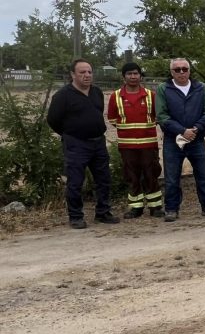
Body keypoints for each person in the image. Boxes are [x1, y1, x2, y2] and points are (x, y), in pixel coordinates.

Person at [47, 59, 120, 229]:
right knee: (75, 182)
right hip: (76, 144)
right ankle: (76, 216)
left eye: (89, 72)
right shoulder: (63, 96)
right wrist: (70, 134)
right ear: (73, 74)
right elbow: (53, 120)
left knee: (104, 179)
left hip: (98, 142)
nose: (87, 75)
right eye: (82, 72)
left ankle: (103, 212)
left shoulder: (96, 92)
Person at [156, 58, 205, 222]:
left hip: (196, 139)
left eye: (184, 69)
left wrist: (195, 129)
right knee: (172, 178)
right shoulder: (164, 89)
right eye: (177, 70)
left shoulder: (201, 88)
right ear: (171, 72)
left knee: (204, 175)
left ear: (189, 70)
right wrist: (181, 131)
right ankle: (171, 209)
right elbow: (162, 116)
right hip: (173, 140)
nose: (181, 72)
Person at [107, 61, 163, 219]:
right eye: (129, 74)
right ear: (123, 77)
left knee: (151, 174)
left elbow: (157, 116)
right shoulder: (116, 96)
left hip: (148, 144)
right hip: (127, 145)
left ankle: (155, 207)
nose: (133, 77)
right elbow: (112, 118)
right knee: (131, 175)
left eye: (136, 73)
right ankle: (136, 207)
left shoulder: (151, 95)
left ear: (140, 76)